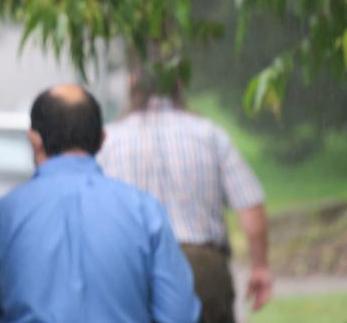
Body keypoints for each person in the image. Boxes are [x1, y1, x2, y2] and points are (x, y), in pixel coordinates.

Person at [0, 84, 200, 323]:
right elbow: (179, 314)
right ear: (102, 140)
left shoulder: (0, 218)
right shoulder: (145, 212)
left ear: (34, 141)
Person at [98, 65, 272, 323]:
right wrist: (260, 266)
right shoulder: (209, 134)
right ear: (179, 85)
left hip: (135, 271)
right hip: (202, 268)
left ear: (132, 85)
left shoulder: (109, 140)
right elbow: (249, 203)